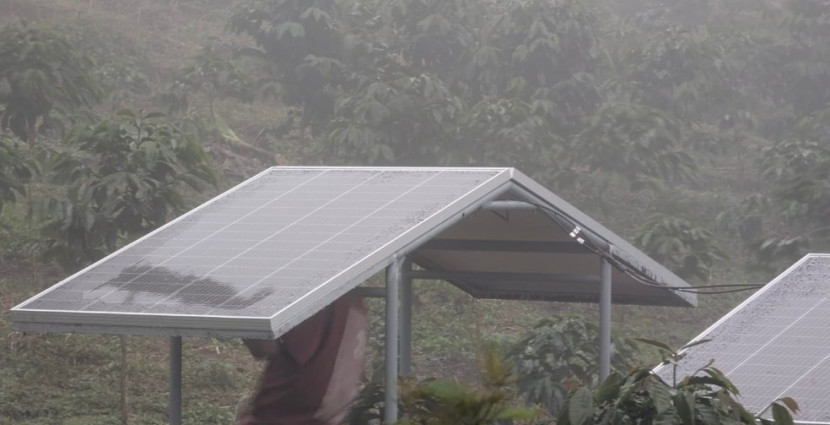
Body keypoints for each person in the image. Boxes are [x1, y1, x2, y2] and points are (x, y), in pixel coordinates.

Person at [238, 296, 368, 425]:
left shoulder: (303, 298)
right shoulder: (351, 297)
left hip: (290, 409)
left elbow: (264, 347)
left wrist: (242, 311)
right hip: (332, 407)